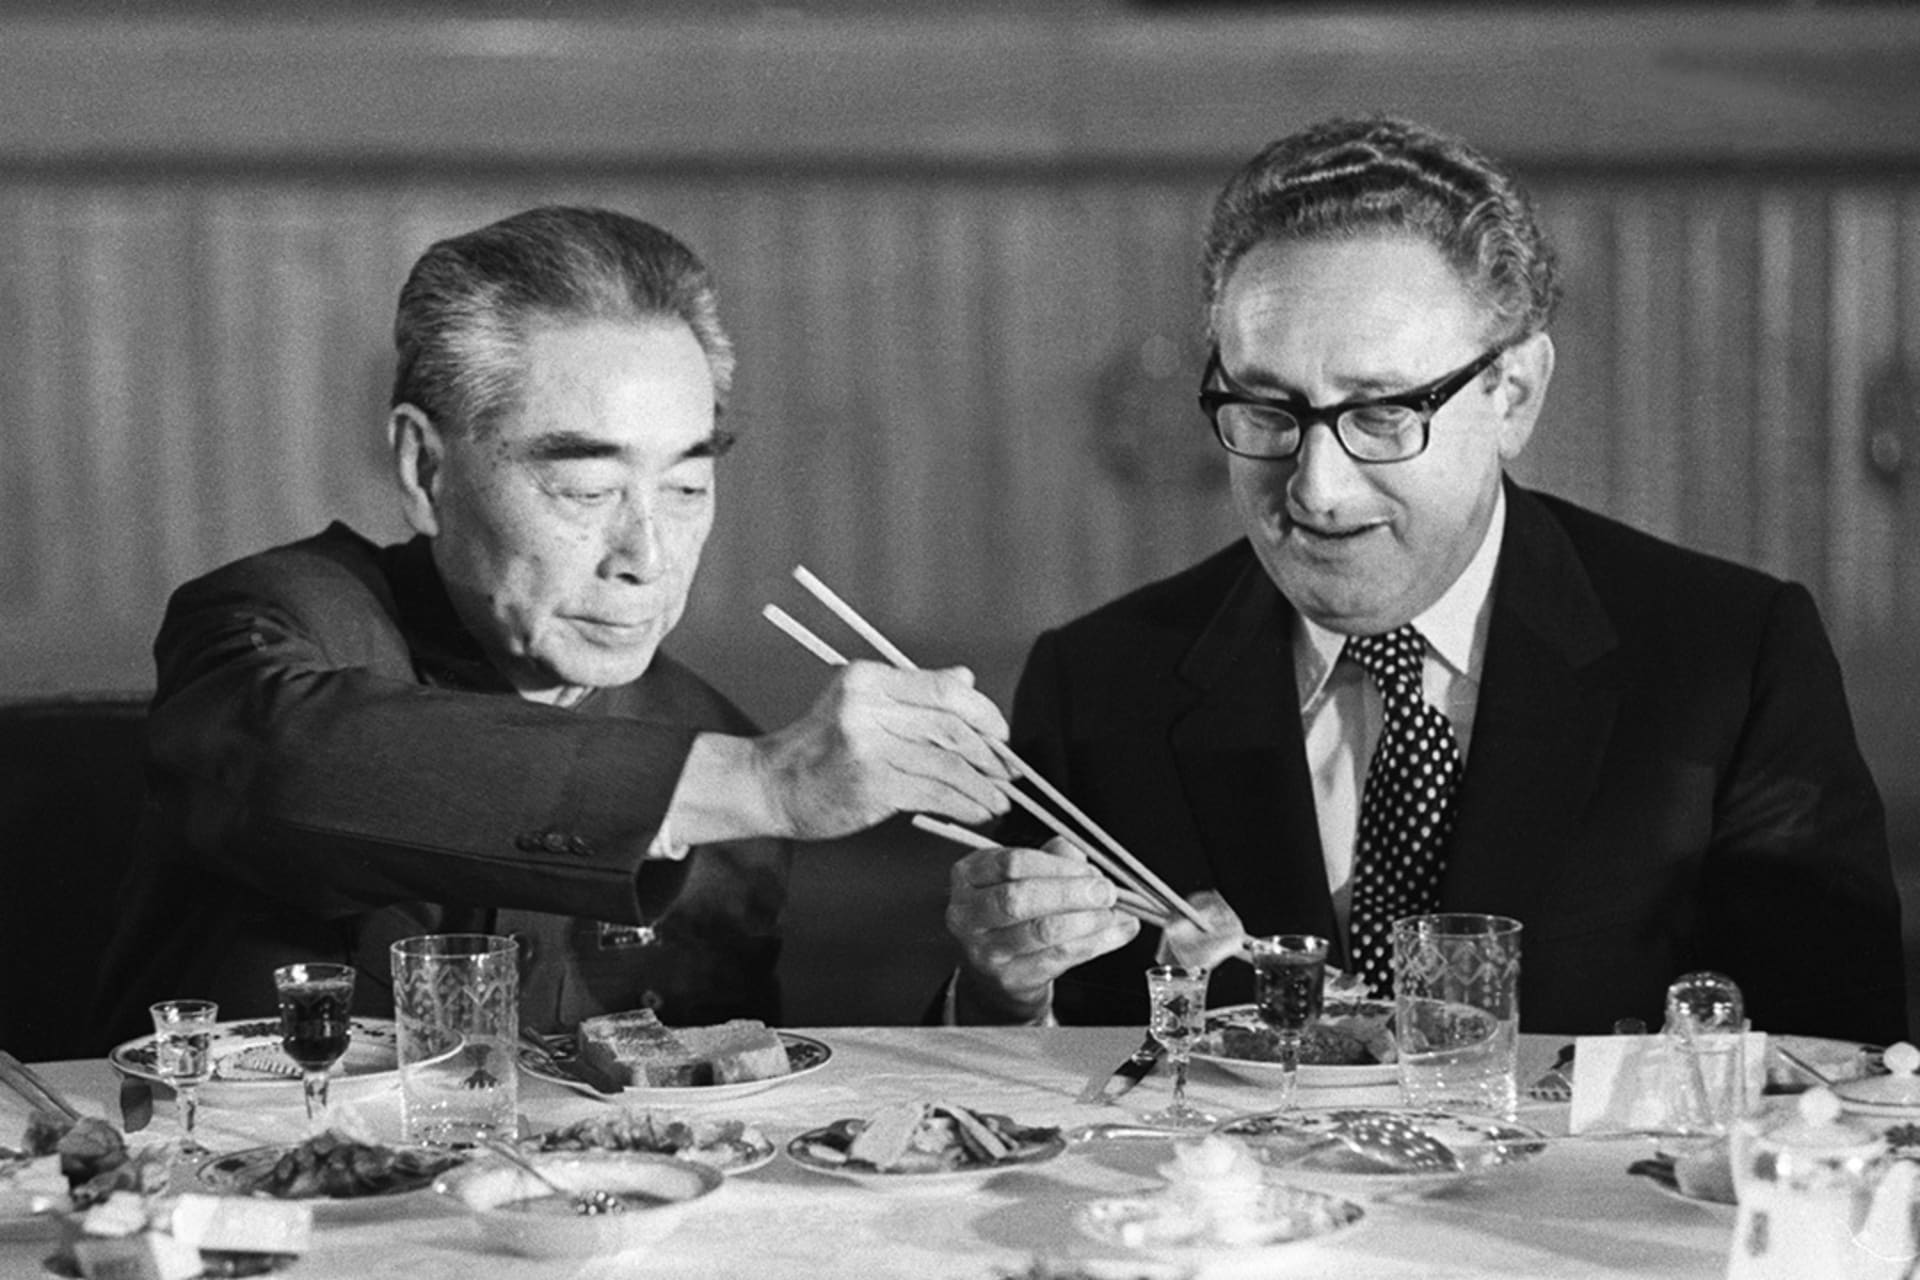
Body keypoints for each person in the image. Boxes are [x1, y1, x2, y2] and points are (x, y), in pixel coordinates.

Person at [944, 117, 1907, 1042]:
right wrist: (1000, 992)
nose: (1316, 491)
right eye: (1269, 410)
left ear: (1514, 396)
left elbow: (1844, 1075)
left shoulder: (1731, 663)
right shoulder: (1098, 684)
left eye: (1382, 414)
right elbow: (1000, 1100)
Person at [94, 206, 1012, 1045]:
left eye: (688, 487)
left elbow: (716, 1114)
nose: (646, 556)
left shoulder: (712, 744)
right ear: (424, 470)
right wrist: (758, 782)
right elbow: (289, 766)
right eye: (585, 489)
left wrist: (1001, 992)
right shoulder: (273, 626)